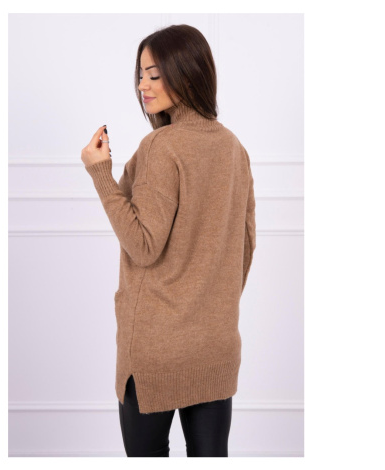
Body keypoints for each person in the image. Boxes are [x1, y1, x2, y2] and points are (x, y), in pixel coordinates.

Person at [81, 24, 256, 457]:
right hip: (216, 345)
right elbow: (246, 246)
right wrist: (209, 308)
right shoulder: (234, 148)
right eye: (140, 74)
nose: (143, 85)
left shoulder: (162, 147)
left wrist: (100, 173)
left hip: (156, 351)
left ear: (188, 74)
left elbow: (143, 245)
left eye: (155, 75)